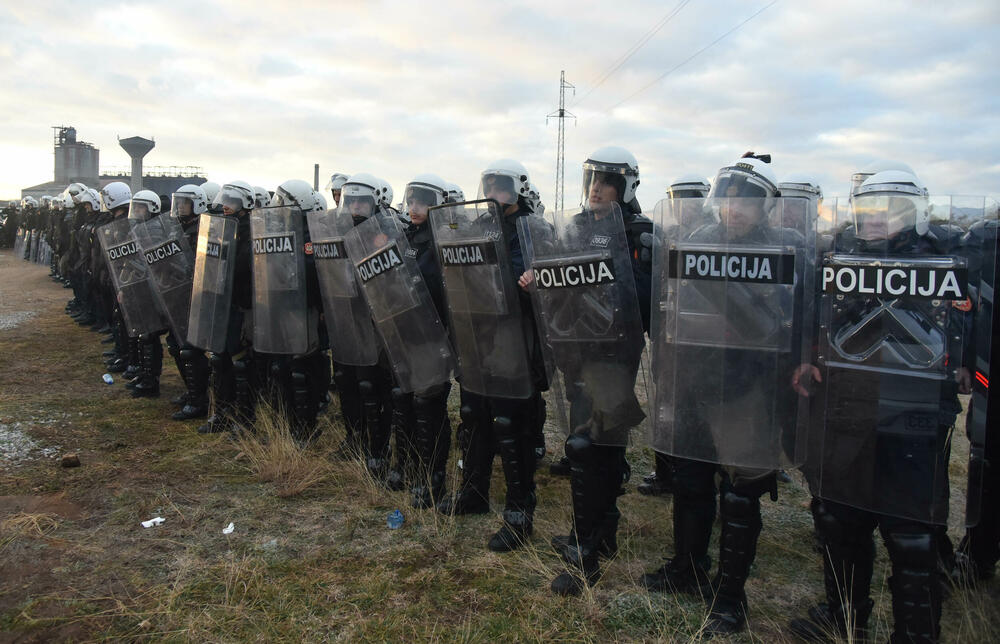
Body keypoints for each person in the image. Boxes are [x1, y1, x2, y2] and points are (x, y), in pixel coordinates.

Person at [790, 169, 976, 643]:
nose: (873, 220)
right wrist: (809, 357)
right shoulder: (835, 255)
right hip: (847, 408)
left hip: (913, 414)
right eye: (867, 210)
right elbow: (812, 316)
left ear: (911, 214)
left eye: (886, 211)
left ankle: (915, 633)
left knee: (911, 535)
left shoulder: (948, 258)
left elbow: (967, 329)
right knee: (838, 517)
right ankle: (844, 617)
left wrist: (965, 364)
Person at [643, 155, 814, 635]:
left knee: (740, 494)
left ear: (764, 208)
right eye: (729, 198)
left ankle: (730, 595)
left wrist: (801, 357)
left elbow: (801, 315)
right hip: (696, 377)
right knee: (691, 479)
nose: (734, 209)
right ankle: (687, 568)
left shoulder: (789, 247)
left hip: (749, 385)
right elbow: (672, 305)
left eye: (746, 201)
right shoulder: (696, 241)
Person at [520, 146, 651, 595]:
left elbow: (645, 302)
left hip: (611, 358)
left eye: (607, 181)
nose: (596, 188)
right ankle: (601, 533)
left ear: (625, 186)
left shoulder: (638, 234)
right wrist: (537, 278)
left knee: (588, 447)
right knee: (601, 449)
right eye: (592, 179)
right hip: (575, 353)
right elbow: (556, 279)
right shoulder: (572, 228)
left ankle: (585, 552)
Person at [434, 159, 547, 553]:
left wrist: (530, 282)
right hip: (476, 333)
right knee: (473, 414)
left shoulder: (533, 228)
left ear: (517, 188)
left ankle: (519, 510)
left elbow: (532, 278)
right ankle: (473, 492)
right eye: (490, 185)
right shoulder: (477, 226)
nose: (495, 192)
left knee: (509, 422)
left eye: (502, 185)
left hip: (513, 336)